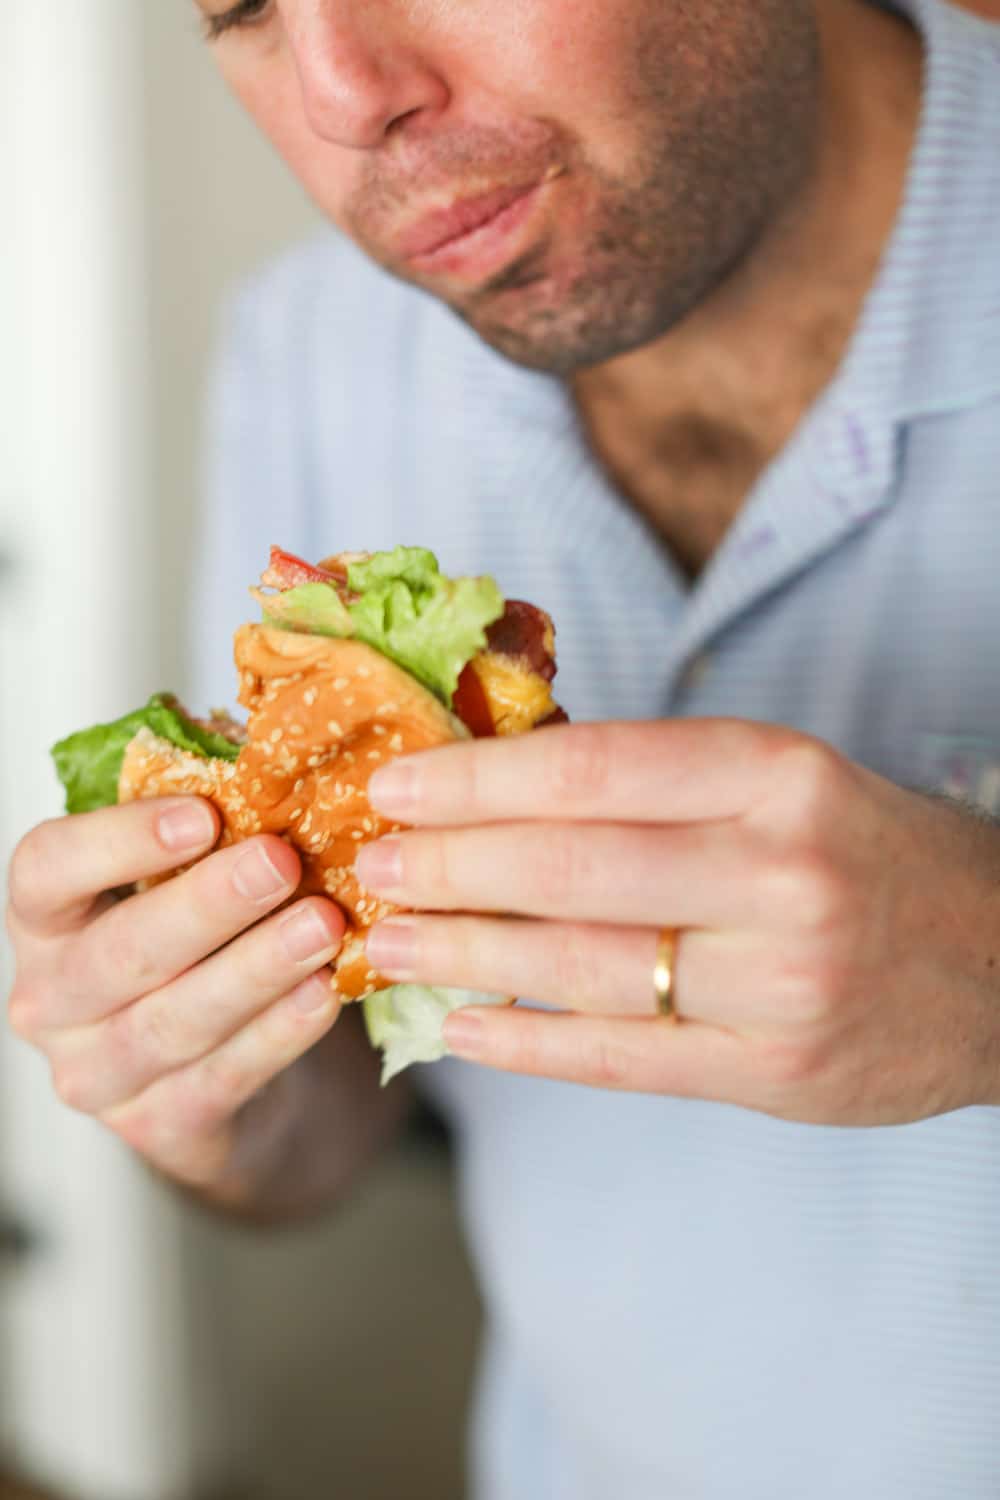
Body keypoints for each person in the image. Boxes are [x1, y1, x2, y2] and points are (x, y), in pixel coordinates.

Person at [6, 0, 1000, 1493]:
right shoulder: (312, 350)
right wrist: (224, 1089)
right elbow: (330, 1130)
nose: (345, 101)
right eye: (239, 9)